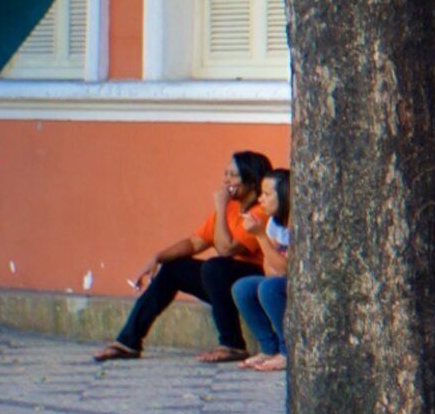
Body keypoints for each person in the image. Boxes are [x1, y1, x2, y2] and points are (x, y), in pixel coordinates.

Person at [95, 151, 274, 362]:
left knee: (215, 267)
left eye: (233, 175)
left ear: (252, 182)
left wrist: (220, 205)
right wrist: (158, 257)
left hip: (253, 280)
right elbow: (195, 242)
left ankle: (232, 344)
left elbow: (227, 249)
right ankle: (128, 342)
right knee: (174, 268)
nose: (226, 180)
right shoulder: (230, 208)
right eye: (225, 173)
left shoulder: (260, 213)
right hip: (222, 281)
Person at [232, 171, 293, 372]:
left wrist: (259, 236)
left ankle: (287, 352)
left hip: (296, 282)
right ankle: (269, 348)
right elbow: (270, 267)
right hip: (280, 280)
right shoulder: (274, 223)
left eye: (267, 194)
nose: (260, 199)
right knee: (243, 287)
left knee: (269, 288)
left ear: (285, 195)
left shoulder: (297, 224)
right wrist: (263, 236)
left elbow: (289, 268)